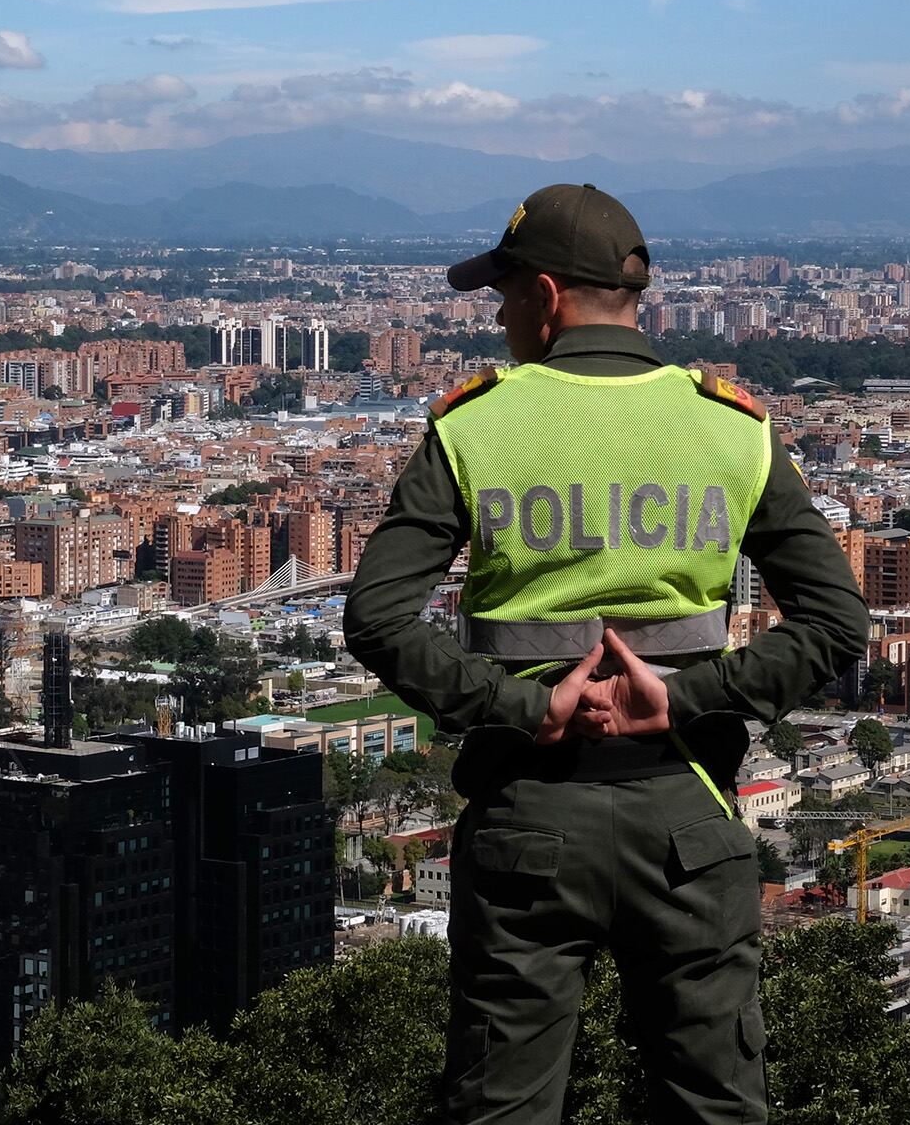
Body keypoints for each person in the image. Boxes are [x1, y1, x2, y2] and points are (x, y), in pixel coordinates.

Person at [343, 183, 868, 1125]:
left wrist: (522, 709)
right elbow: (836, 624)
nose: (499, 316)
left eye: (503, 295)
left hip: (527, 818)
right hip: (690, 819)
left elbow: (379, 618)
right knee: (714, 1108)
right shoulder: (733, 429)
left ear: (546, 296)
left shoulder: (474, 427)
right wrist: (689, 695)